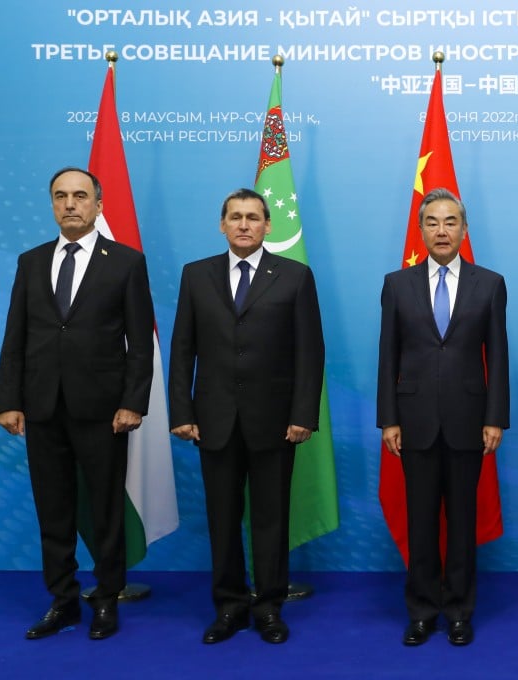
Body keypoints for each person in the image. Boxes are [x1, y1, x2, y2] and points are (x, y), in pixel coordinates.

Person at [0, 167, 155, 641]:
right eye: (61, 196)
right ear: (51, 205)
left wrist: (134, 402)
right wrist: (9, 400)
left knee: (106, 509)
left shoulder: (125, 262)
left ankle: (106, 599)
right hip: (42, 408)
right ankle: (63, 600)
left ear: (98, 205)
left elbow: (140, 342)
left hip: (104, 410)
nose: (70, 204)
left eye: (80, 196)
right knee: (54, 508)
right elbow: (15, 337)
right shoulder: (30, 261)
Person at [168, 188, 324, 645]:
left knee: (271, 519)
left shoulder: (295, 276)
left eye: (253, 217)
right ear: (222, 224)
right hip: (212, 420)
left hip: (276, 421)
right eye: (234, 217)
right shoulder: (196, 276)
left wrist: (303, 415)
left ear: (267, 226)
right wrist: (182, 409)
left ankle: (269, 607)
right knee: (221, 518)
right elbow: (182, 350)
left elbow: (309, 353)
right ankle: (229, 607)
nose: (243, 224)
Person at [377, 188, 509, 647]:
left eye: (450, 221)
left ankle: (458, 610)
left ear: (464, 230)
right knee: (421, 522)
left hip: (469, 421)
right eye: (432, 222)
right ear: (420, 231)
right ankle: (421, 611)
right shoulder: (397, 284)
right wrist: (388, 420)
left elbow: (499, 354)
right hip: (412, 422)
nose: (441, 230)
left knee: (462, 522)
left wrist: (496, 418)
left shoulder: (489, 284)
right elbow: (387, 355)